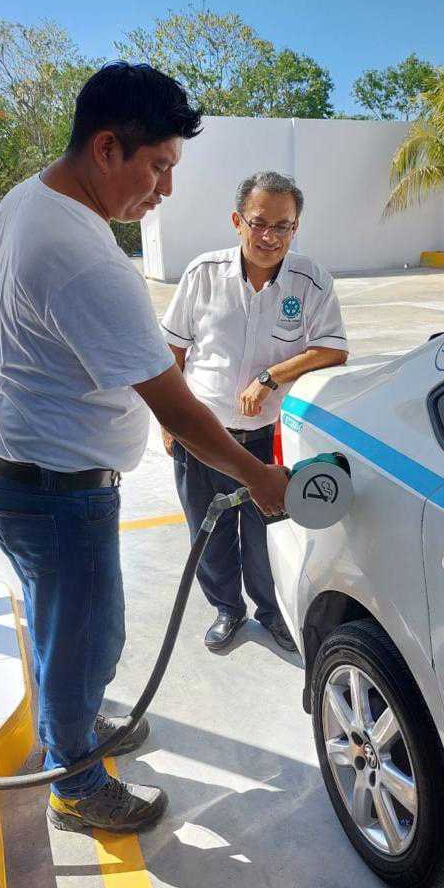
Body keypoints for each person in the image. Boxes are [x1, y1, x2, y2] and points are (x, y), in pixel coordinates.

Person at [0, 64, 288, 836]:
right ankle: (76, 781)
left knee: (63, 627)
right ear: (108, 148)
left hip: (13, 467)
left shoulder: (26, 199)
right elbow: (179, 413)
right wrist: (259, 476)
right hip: (57, 492)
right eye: (159, 167)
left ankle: (71, 725)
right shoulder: (85, 258)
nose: (165, 191)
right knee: (87, 637)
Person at [161, 171, 348, 653]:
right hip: (204, 434)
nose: (270, 237)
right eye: (259, 223)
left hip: (270, 435)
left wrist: (270, 377)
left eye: (283, 226)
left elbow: (331, 349)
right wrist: (168, 422)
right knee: (209, 532)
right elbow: (173, 352)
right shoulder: (203, 274)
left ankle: (273, 612)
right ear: (237, 221)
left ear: (296, 227)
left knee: (271, 533)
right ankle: (227, 610)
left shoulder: (311, 281)